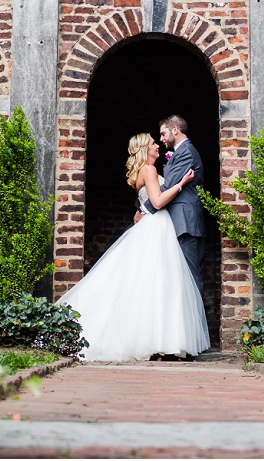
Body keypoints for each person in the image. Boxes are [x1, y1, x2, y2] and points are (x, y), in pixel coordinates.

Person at [58, 132, 210, 362]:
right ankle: (161, 343)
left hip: (155, 226)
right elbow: (158, 202)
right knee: (160, 284)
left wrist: (142, 209)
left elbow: (147, 202)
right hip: (157, 228)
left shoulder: (145, 171)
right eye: (152, 143)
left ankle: (159, 342)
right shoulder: (148, 170)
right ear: (143, 149)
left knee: (153, 285)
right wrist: (181, 184)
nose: (157, 145)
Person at [140, 115, 206, 296]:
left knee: (190, 278)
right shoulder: (181, 151)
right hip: (179, 223)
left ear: (175, 129)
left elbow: (167, 187)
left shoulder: (186, 152)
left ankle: (195, 324)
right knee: (180, 278)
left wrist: (143, 210)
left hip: (186, 223)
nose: (161, 140)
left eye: (163, 134)